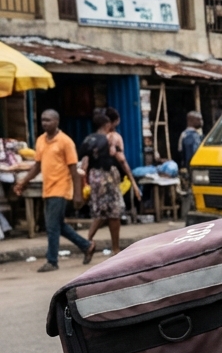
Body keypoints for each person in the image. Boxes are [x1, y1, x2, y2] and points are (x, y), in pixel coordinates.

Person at [13, 109, 93, 270]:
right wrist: (23, 182)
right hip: (47, 188)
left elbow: (73, 170)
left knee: (51, 226)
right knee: (57, 225)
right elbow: (37, 166)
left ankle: (52, 261)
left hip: (61, 188)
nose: (44, 123)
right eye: (42, 120)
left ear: (56, 121)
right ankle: (86, 246)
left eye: (48, 120)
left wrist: (78, 194)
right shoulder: (41, 140)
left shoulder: (66, 142)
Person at [80, 109, 141, 257]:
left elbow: (84, 165)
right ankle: (115, 249)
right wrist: (133, 183)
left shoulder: (89, 139)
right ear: (107, 124)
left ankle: (87, 243)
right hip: (108, 175)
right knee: (114, 213)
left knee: (100, 213)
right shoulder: (111, 139)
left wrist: (83, 185)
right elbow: (121, 160)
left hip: (94, 177)